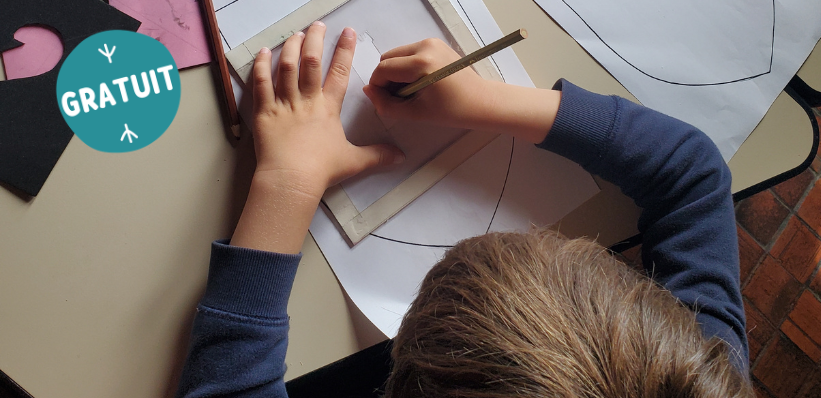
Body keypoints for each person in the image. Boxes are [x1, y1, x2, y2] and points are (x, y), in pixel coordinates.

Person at [176, 22, 754, 397]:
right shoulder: (695, 371)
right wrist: (488, 99)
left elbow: (227, 388)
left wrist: (287, 181)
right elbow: (694, 174)